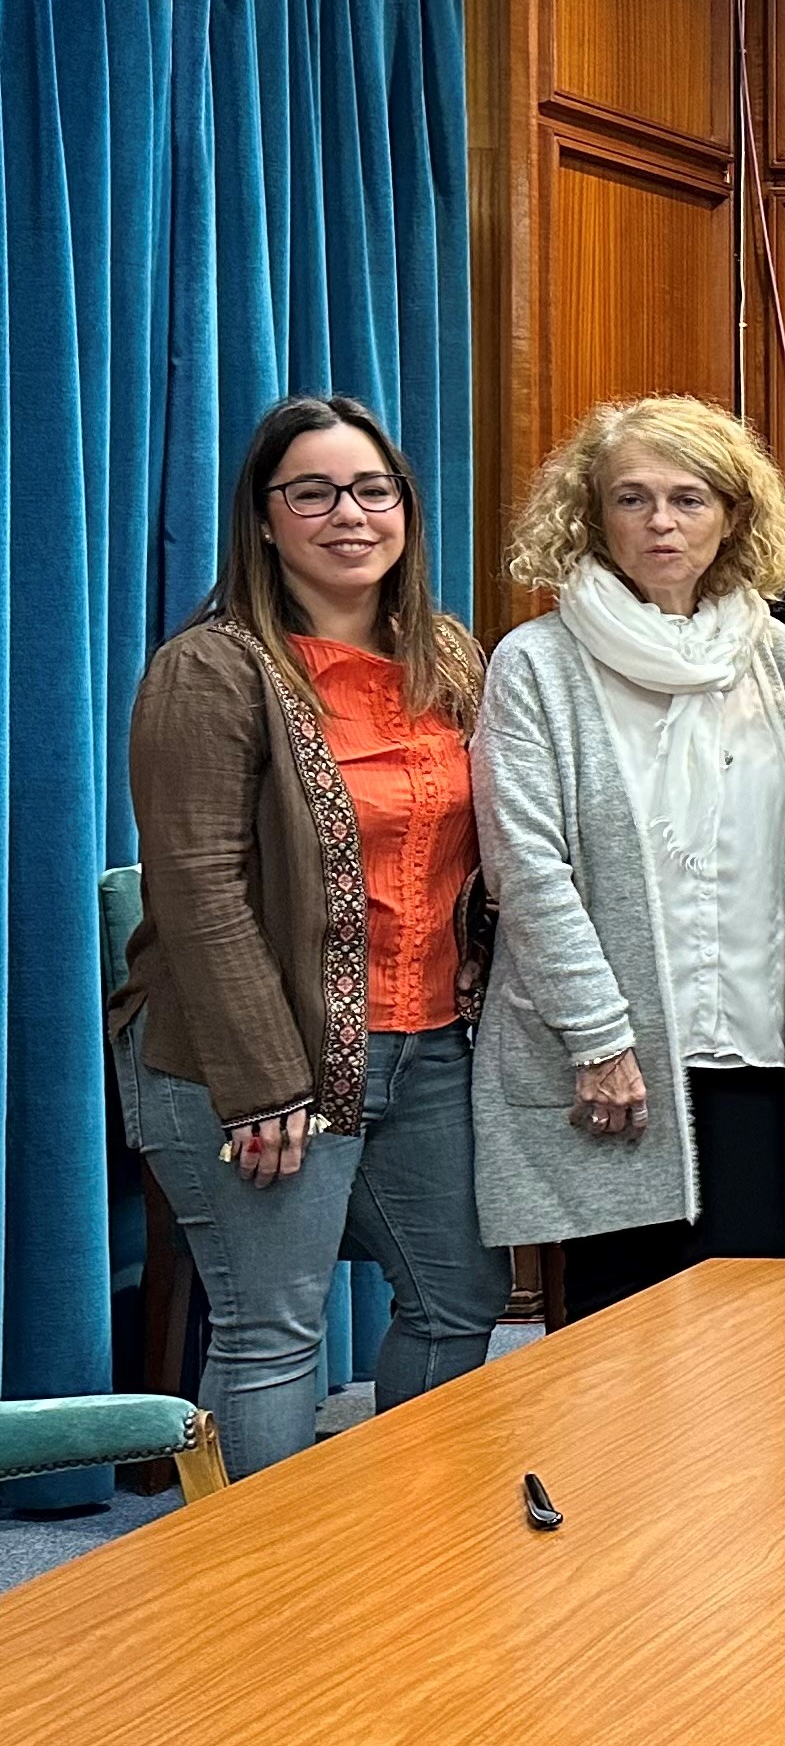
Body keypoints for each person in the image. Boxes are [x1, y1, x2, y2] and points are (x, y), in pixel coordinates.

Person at [113, 395, 505, 1477]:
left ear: (407, 512)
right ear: (265, 517)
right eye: (314, 492)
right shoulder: (210, 670)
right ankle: (256, 1606)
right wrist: (263, 1084)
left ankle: (401, 1546)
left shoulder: (449, 658)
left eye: (373, 489)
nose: (350, 514)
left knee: (457, 1297)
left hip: (426, 1046)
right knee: (273, 1332)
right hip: (251, 1063)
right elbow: (198, 890)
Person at [473, 398, 785, 1314]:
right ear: (591, 515)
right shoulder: (537, 662)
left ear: (733, 516)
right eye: (632, 499)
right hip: (613, 1061)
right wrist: (595, 1038)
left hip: (760, 1052)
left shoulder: (774, 656)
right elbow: (527, 867)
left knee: (763, 1337)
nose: (662, 522)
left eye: (689, 498)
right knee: (619, 1354)